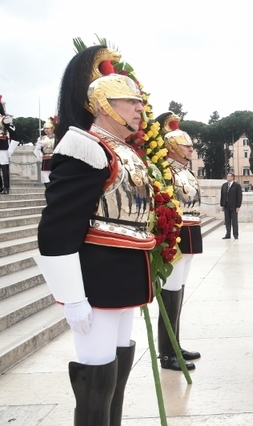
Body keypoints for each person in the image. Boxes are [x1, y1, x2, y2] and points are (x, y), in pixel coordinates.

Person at [35, 45, 154, 424]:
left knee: (117, 370)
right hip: (98, 276)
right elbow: (57, 226)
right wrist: (71, 297)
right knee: (96, 377)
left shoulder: (125, 151)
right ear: (103, 103)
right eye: (131, 101)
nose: (140, 109)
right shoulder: (85, 147)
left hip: (125, 273)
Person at [155, 112, 202, 371]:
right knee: (171, 291)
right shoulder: (166, 171)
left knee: (180, 290)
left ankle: (175, 343)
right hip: (176, 231)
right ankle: (167, 352)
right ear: (172, 146)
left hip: (191, 229)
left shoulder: (185, 171)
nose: (191, 148)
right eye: (186, 145)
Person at [0, 95, 18, 194]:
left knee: (4, 166)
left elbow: (14, 135)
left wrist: (10, 149)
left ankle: (6, 187)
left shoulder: (4, 119)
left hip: (2, 145)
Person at [34, 117, 57, 188]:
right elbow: (36, 151)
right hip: (45, 159)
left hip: (54, 159)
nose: (46, 130)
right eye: (45, 128)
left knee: (54, 176)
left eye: (48, 128)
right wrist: (40, 153)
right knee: (46, 177)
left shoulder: (57, 138)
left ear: (52, 128)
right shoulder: (42, 139)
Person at [220, 172, 242, 239]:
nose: (228, 177)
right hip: (226, 206)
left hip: (233, 206)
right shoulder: (224, 185)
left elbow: (239, 196)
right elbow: (222, 195)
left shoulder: (237, 186)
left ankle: (235, 234)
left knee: (234, 221)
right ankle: (228, 234)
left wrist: (238, 206)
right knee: (227, 221)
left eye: (229, 176)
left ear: (233, 177)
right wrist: (222, 205)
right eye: (227, 176)